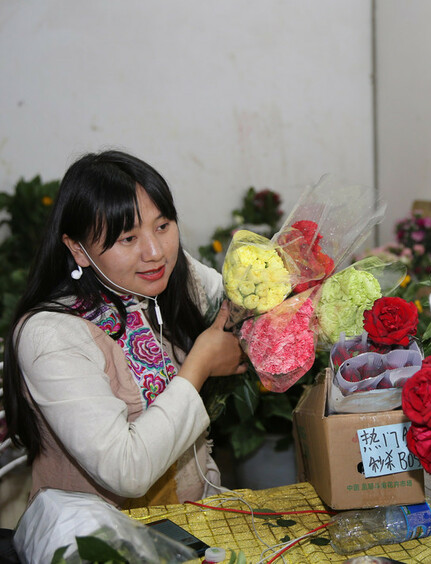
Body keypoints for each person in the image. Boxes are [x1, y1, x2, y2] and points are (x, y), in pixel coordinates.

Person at [2, 150, 247, 509]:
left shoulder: (172, 277)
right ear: (78, 249)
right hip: (105, 542)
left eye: (162, 226)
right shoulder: (50, 335)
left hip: (193, 518)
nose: (155, 252)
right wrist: (200, 366)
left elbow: (245, 305)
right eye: (128, 239)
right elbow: (125, 469)